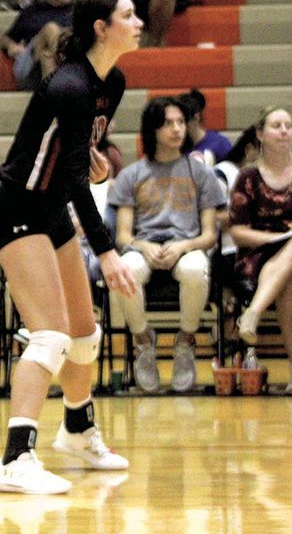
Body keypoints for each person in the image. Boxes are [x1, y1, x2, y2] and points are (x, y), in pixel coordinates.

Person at [0, 0, 141, 494]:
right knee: (50, 336)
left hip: (50, 210)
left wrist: (94, 165)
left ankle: (78, 429)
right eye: (128, 14)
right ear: (102, 28)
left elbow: (79, 161)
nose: (138, 21)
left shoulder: (111, 82)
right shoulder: (70, 85)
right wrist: (107, 248)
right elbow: (74, 178)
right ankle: (15, 459)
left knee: (84, 334)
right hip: (18, 210)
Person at [109, 97, 223, 392]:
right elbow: (122, 235)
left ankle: (185, 341)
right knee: (126, 270)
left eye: (181, 122)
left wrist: (183, 246)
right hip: (145, 247)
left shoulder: (201, 173)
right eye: (168, 123)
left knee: (197, 269)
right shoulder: (131, 174)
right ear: (153, 129)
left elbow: (210, 234)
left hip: (186, 246)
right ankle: (143, 340)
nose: (177, 129)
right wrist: (143, 247)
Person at [231, 106, 292, 365]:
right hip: (257, 253)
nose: (284, 131)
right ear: (260, 133)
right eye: (276, 126)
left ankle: (253, 312)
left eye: (288, 126)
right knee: (288, 283)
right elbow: (237, 232)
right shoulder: (247, 177)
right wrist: (272, 239)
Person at [0, 0, 77, 90]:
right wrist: (11, 45)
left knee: (47, 57)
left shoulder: (81, 11)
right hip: (31, 69)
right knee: (50, 30)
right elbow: (4, 39)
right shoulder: (32, 12)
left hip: (53, 68)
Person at [179, 88, 233, 164]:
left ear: (196, 118)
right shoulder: (175, 146)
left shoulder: (220, 144)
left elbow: (232, 172)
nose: (177, 128)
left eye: (182, 121)